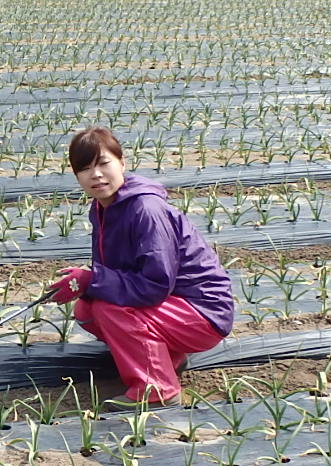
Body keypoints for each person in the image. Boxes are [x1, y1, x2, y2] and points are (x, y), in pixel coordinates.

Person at [48, 127, 236, 404]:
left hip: (203, 312)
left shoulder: (146, 210)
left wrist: (92, 280)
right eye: (85, 168)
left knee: (110, 308)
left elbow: (155, 284)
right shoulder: (103, 208)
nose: (96, 174)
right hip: (174, 306)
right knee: (87, 308)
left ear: (122, 163)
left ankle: (158, 390)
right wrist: (86, 282)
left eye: (103, 163)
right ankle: (168, 358)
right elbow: (115, 271)